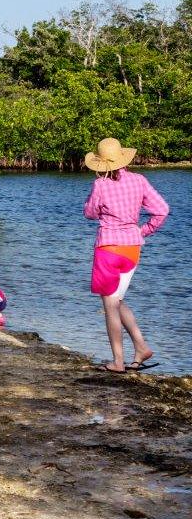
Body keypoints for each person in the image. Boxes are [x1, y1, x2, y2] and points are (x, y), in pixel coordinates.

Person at [83, 137, 169, 373]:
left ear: (101, 164)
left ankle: (118, 362)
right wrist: (143, 231)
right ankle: (141, 346)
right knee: (117, 300)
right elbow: (162, 210)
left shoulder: (100, 185)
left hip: (108, 248)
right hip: (132, 248)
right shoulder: (139, 180)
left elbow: (89, 213)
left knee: (110, 306)